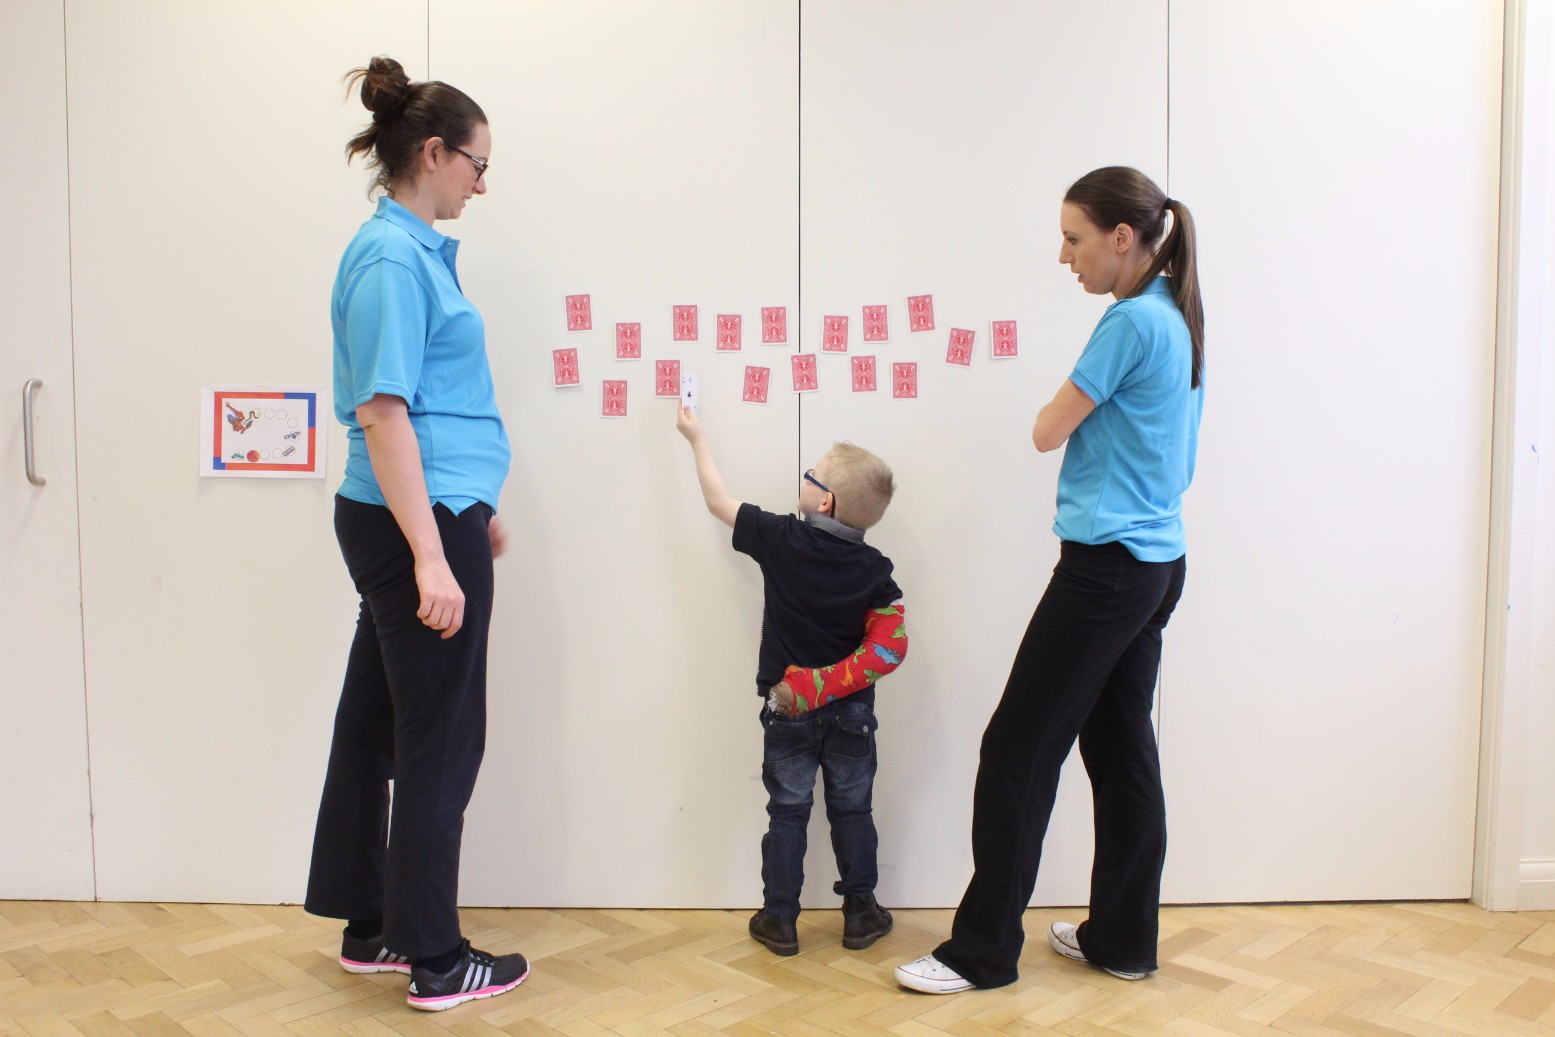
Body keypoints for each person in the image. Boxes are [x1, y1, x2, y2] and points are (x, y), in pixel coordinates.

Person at [895, 166, 1205, 993]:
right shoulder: (1175, 313)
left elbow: (1044, 430)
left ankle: (981, 950)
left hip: (1106, 570)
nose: (1062, 255)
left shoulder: (1129, 324)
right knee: (1118, 744)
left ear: (1121, 238)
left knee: (1017, 746)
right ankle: (1123, 939)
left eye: (1073, 238)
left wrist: (1064, 412)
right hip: (1155, 563)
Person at [303, 56, 529, 1012]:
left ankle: (372, 922)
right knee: (441, 734)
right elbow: (384, 410)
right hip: (413, 524)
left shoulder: (405, 249)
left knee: (378, 720)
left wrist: (476, 501)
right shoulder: (394, 258)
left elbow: (429, 404)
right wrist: (437, 551)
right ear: (432, 154)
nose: (483, 183)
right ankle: (435, 957)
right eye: (477, 165)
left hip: (426, 509)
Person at [675, 404, 907, 955]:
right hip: (852, 715)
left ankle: (779, 919)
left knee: (787, 812)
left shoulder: (782, 538)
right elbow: (889, 645)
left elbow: (716, 501)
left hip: (788, 712)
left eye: (810, 475)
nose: (801, 480)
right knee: (853, 811)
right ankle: (860, 913)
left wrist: (696, 437)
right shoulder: (876, 568)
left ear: (822, 500)